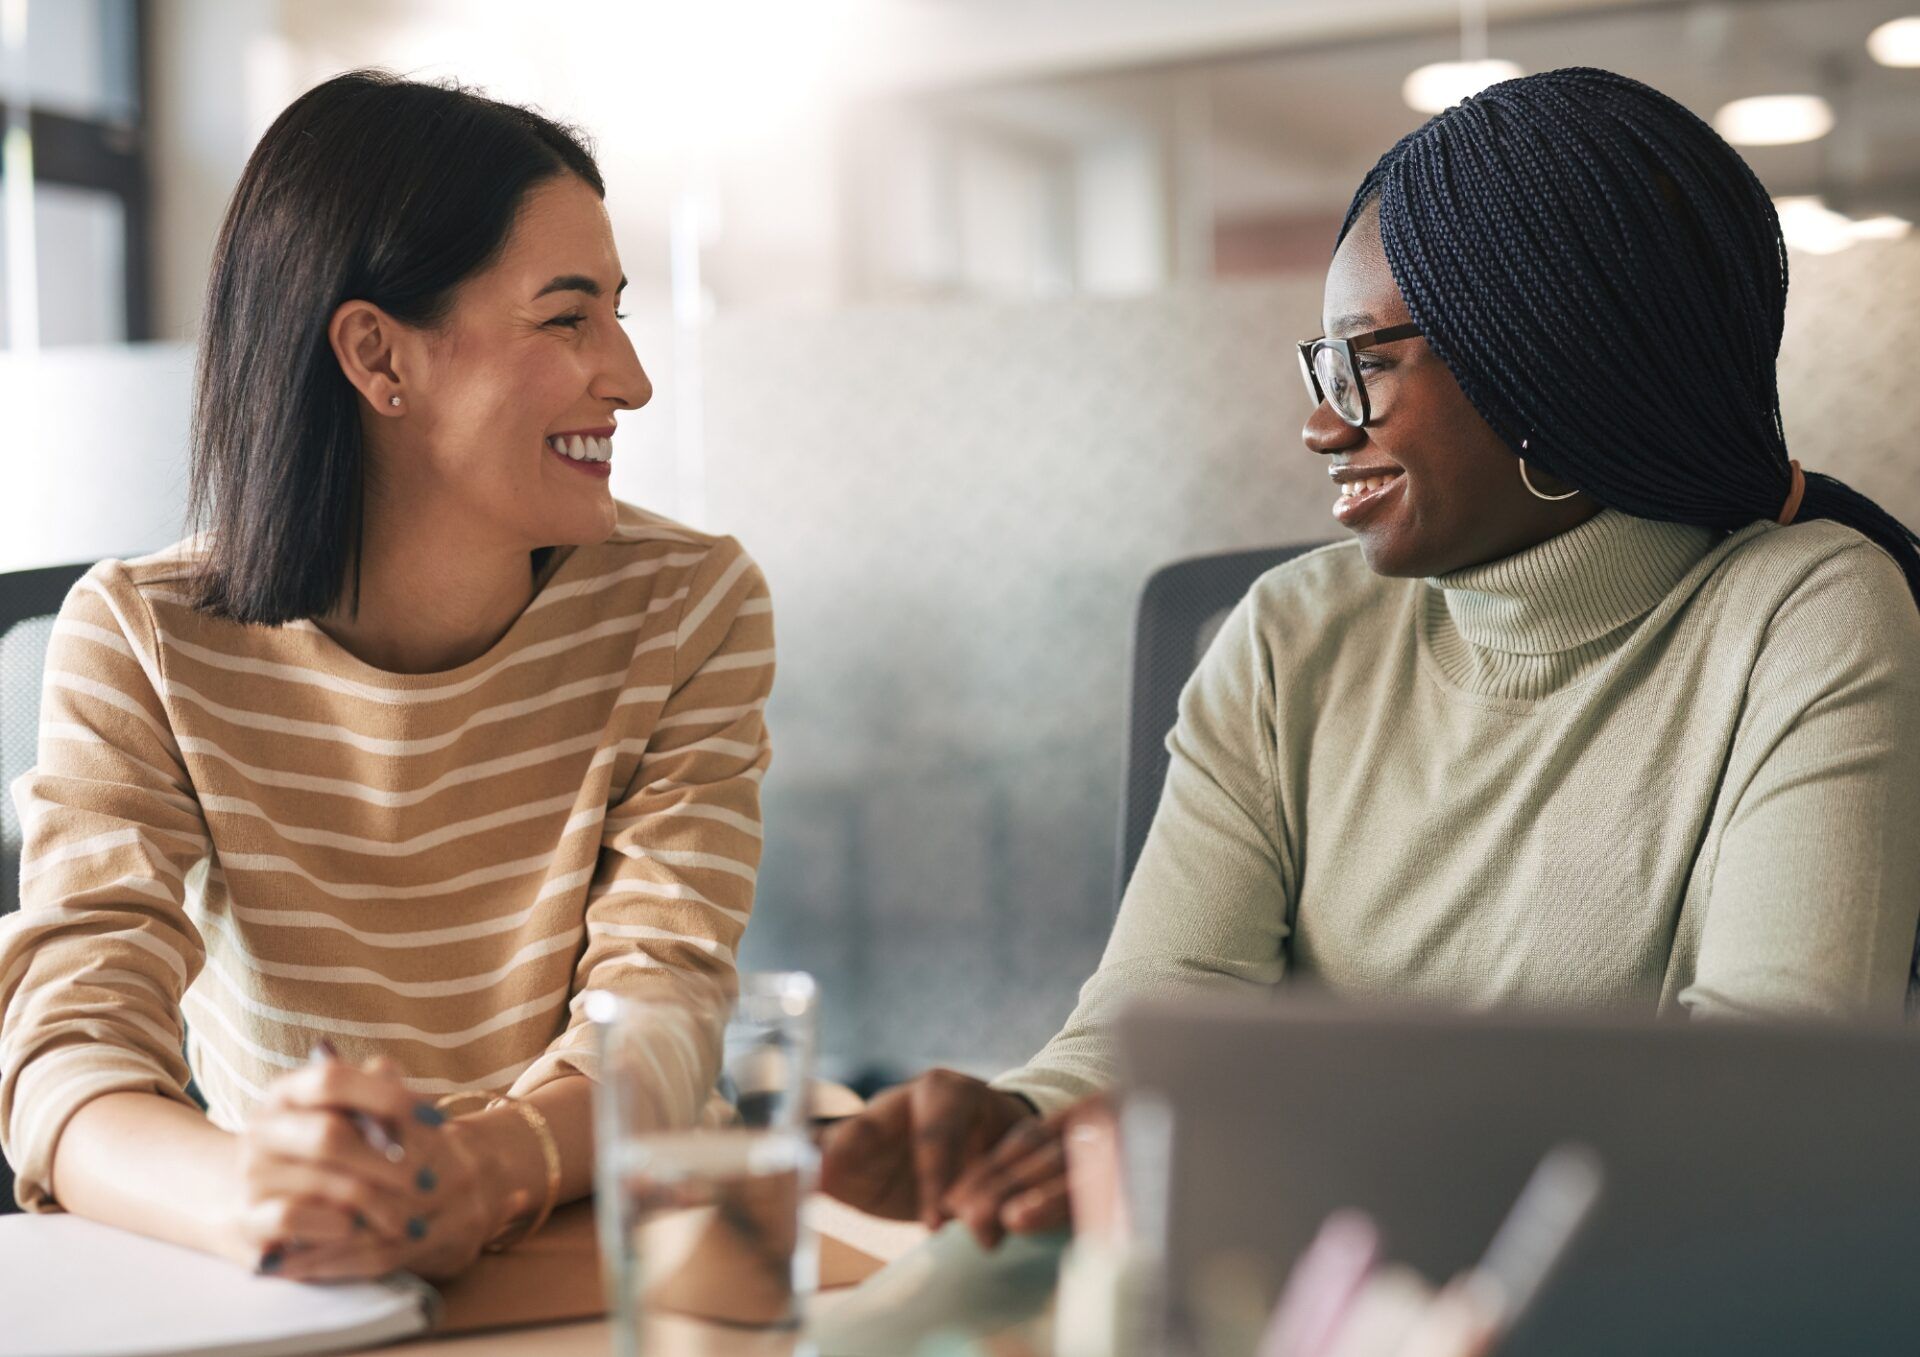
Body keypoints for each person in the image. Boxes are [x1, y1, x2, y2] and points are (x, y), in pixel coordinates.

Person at [821, 65, 1920, 1249]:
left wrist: (1253, 1146)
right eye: (1323, 364)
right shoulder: (1289, 636)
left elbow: (1757, 1120)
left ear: (1543, 359)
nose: (1320, 423)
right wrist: (1023, 1125)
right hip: (1239, 1259)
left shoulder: (1806, 616)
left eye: (1368, 362)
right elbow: (1154, 1017)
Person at [0, 72, 774, 1282]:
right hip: (302, 1274)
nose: (629, 376)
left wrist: (486, 1167)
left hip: (615, 1257)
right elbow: (65, 1058)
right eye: (568, 318)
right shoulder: (140, 641)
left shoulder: (689, 605)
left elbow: (663, 1008)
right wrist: (251, 1188)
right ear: (377, 355)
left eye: (617, 314)